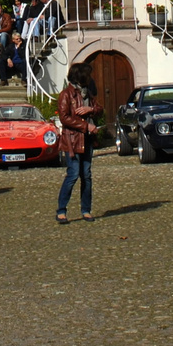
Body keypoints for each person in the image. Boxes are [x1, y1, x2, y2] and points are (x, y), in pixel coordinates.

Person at [55, 62, 99, 224]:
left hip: (87, 139)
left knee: (86, 175)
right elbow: (64, 117)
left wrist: (91, 110)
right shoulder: (66, 94)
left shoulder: (88, 94)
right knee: (73, 174)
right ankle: (61, 210)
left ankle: (86, 210)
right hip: (72, 139)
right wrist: (86, 125)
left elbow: (99, 108)